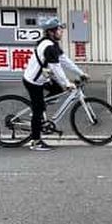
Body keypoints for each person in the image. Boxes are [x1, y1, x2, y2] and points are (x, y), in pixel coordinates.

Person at [22, 16, 89, 151]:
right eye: (59, 29)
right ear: (51, 32)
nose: (61, 31)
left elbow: (64, 60)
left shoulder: (52, 44)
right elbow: (56, 67)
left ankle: (40, 107)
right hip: (33, 82)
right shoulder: (49, 47)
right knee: (38, 110)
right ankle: (36, 142)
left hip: (43, 78)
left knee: (58, 90)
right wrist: (67, 83)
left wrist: (80, 73)